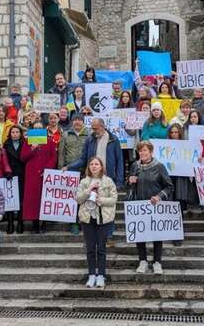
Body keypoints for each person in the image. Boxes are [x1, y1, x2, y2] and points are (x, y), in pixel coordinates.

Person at [128, 141, 174, 275]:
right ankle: (142, 261)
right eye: (140, 151)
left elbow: (169, 186)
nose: (142, 153)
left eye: (145, 150)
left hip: (154, 205)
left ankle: (157, 262)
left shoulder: (159, 167)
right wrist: (129, 181)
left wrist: (159, 196)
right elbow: (130, 185)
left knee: (157, 234)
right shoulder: (134, 166)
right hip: (138, 205)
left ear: (151, 152)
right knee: (139, 234)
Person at [76, 156, 118, 289]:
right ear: (89, 167)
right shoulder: (84, 181)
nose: (94, 166)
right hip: (88, 218)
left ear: (101, 167)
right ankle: (91, 275)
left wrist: (102, 200)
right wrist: (89, 189)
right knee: (90, 248)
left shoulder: (108, 181)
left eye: (96, 164)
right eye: (92, 164)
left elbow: (114, 199)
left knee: (101, 248)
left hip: (103, 219)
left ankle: (101, 275)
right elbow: (78, 199)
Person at [21, 123, 60, 233]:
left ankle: (44, 223)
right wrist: (32, 148)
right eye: (35, 128)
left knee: (45, 198)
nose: (37, 129)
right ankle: (35, 224)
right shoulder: (27, 142)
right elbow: (23, 157)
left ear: (43, 129)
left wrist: (47, 169)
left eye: (39, 128)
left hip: (45, 174)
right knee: (33, 199)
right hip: (32, 174)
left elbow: (53, 157)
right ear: (32, 129)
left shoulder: (50, 142)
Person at [66, 118, 124, 188]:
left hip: (109, 178)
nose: (93, 131)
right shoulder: (89, 140)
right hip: (92, 178)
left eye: (95, 129)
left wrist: (119, 182)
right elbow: (83, 159)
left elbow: (119, 161)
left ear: (102, 127)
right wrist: (68, 167)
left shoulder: (114, 140)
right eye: (92, 128)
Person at [58, 114, 90, 233]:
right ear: (72, 121)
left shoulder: (89, 134)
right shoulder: (66, 134)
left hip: (85, 171)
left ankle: (84, 221)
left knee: (85, 197)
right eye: (75, 120)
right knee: (72, 199)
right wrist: (60, 169)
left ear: (83, 122)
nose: (77, 122)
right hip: (70, 171)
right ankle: (74, 222)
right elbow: (61, 153)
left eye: (79, 120)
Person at [4, 126, 30, 234]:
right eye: (13, 132)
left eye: (17, 132)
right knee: (10, 199)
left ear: (20, 133)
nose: (15, 134)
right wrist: (7, 171)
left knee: (21, 199)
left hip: (22, 174)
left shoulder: (25, 143)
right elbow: (4, 159)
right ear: (10, 134)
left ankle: (20, 222)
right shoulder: (6, 145)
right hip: (10, 174)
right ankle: (10, 223)